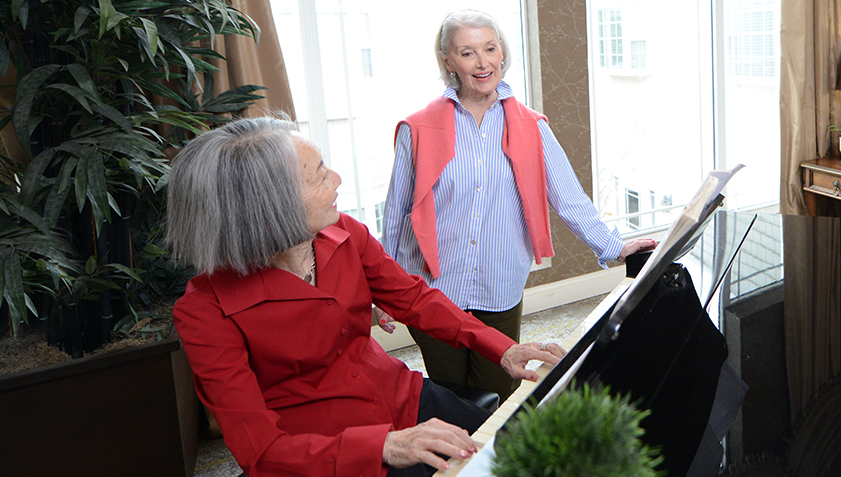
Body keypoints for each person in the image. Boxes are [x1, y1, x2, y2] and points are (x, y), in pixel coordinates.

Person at [165, 116, 566, 477]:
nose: (337, 179)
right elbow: (262, 452)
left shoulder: (346, 234)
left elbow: (415, 298)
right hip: (331, 453)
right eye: (320, 175)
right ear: (270, 208)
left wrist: (502, 348)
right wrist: (386, 445)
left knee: (525, 453)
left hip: (402, 397)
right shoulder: (205, 312)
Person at [380, 9, 657, 402]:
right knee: (448, 394)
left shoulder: (532, 126)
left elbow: (569, 197)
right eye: (468, 52)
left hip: (499, 285)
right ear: (448, 61)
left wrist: (615, 247)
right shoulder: (417, 129)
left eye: (490, 49)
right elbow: (397, 218)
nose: (482, 62)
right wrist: (386, 291)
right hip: (432, 291)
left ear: (502, 53)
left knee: (498, 392)